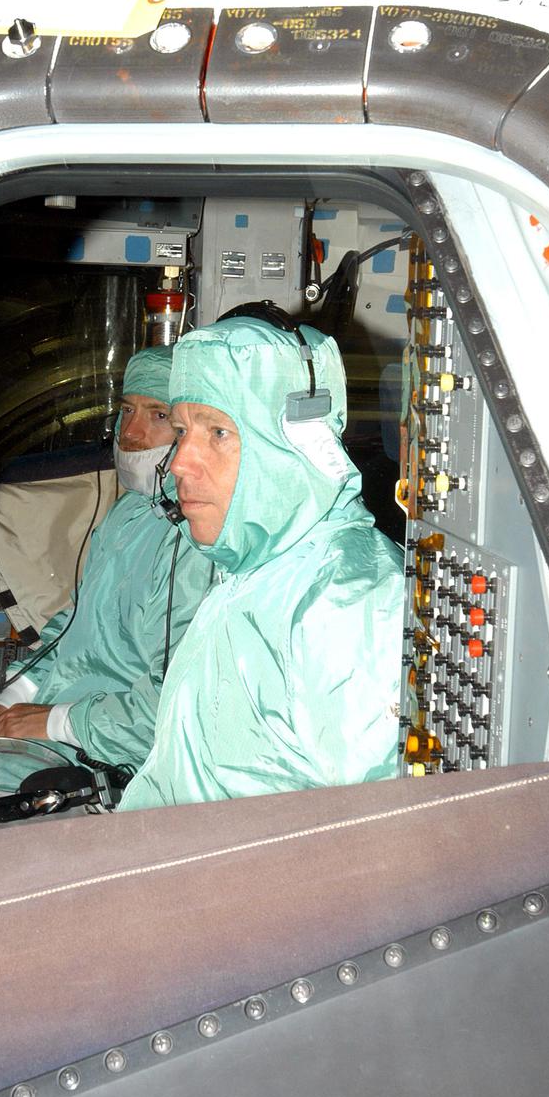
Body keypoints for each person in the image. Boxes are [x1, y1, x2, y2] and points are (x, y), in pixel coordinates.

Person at [118, 314, 403, 810]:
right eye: (183, 430)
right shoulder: (255, 573)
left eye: (219, 433)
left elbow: (374, 844)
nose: (181, 461)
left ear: (291, 443)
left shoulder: (349, 601)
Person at [0, 345, 211, 770]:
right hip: (67, 715)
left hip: (111, 751)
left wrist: (56, 723)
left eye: (157, 415)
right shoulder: (129, 512)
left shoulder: (195, 542)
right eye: (127, 411)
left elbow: (176, 708)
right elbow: (76, 622)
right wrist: (13, 695)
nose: (130, 433)